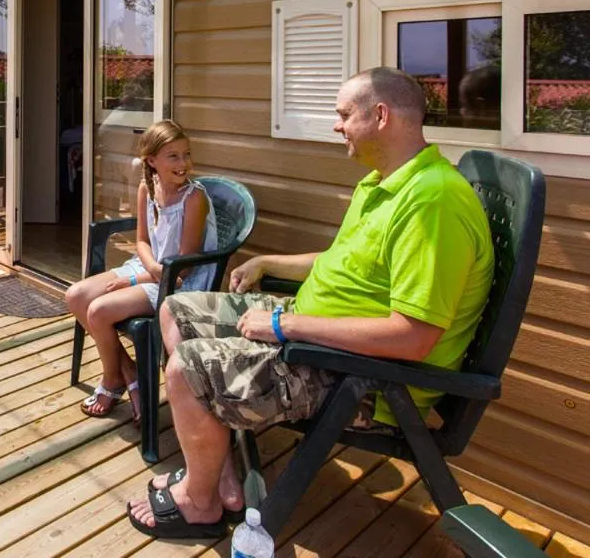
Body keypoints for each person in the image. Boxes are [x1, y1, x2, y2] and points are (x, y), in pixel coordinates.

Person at [126, 67, 494, 539]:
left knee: (185, 369)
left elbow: (413, 337)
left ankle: (200, 505)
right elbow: (346, 262)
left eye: (343, 115)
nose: (337, 125)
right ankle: (216, 471)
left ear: (380, 116)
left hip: (358, 377)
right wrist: (267, 261)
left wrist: (283, 328)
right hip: (311, 328)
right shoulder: (385, 182)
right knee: (176, 309)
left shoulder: (432, 203)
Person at [65, 119, 217, 423]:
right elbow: (142, 241)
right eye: (173, 156)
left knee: (98, 311)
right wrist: (142, 269)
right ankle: (128, 371)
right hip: (152, 267)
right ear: (152, 161)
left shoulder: (194, 198)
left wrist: (132, 279)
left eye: (186, 154)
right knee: (75, 295)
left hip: (180, 280)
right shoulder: (147, 189)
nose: (183, 163)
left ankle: (112, 380)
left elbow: (182, 267)